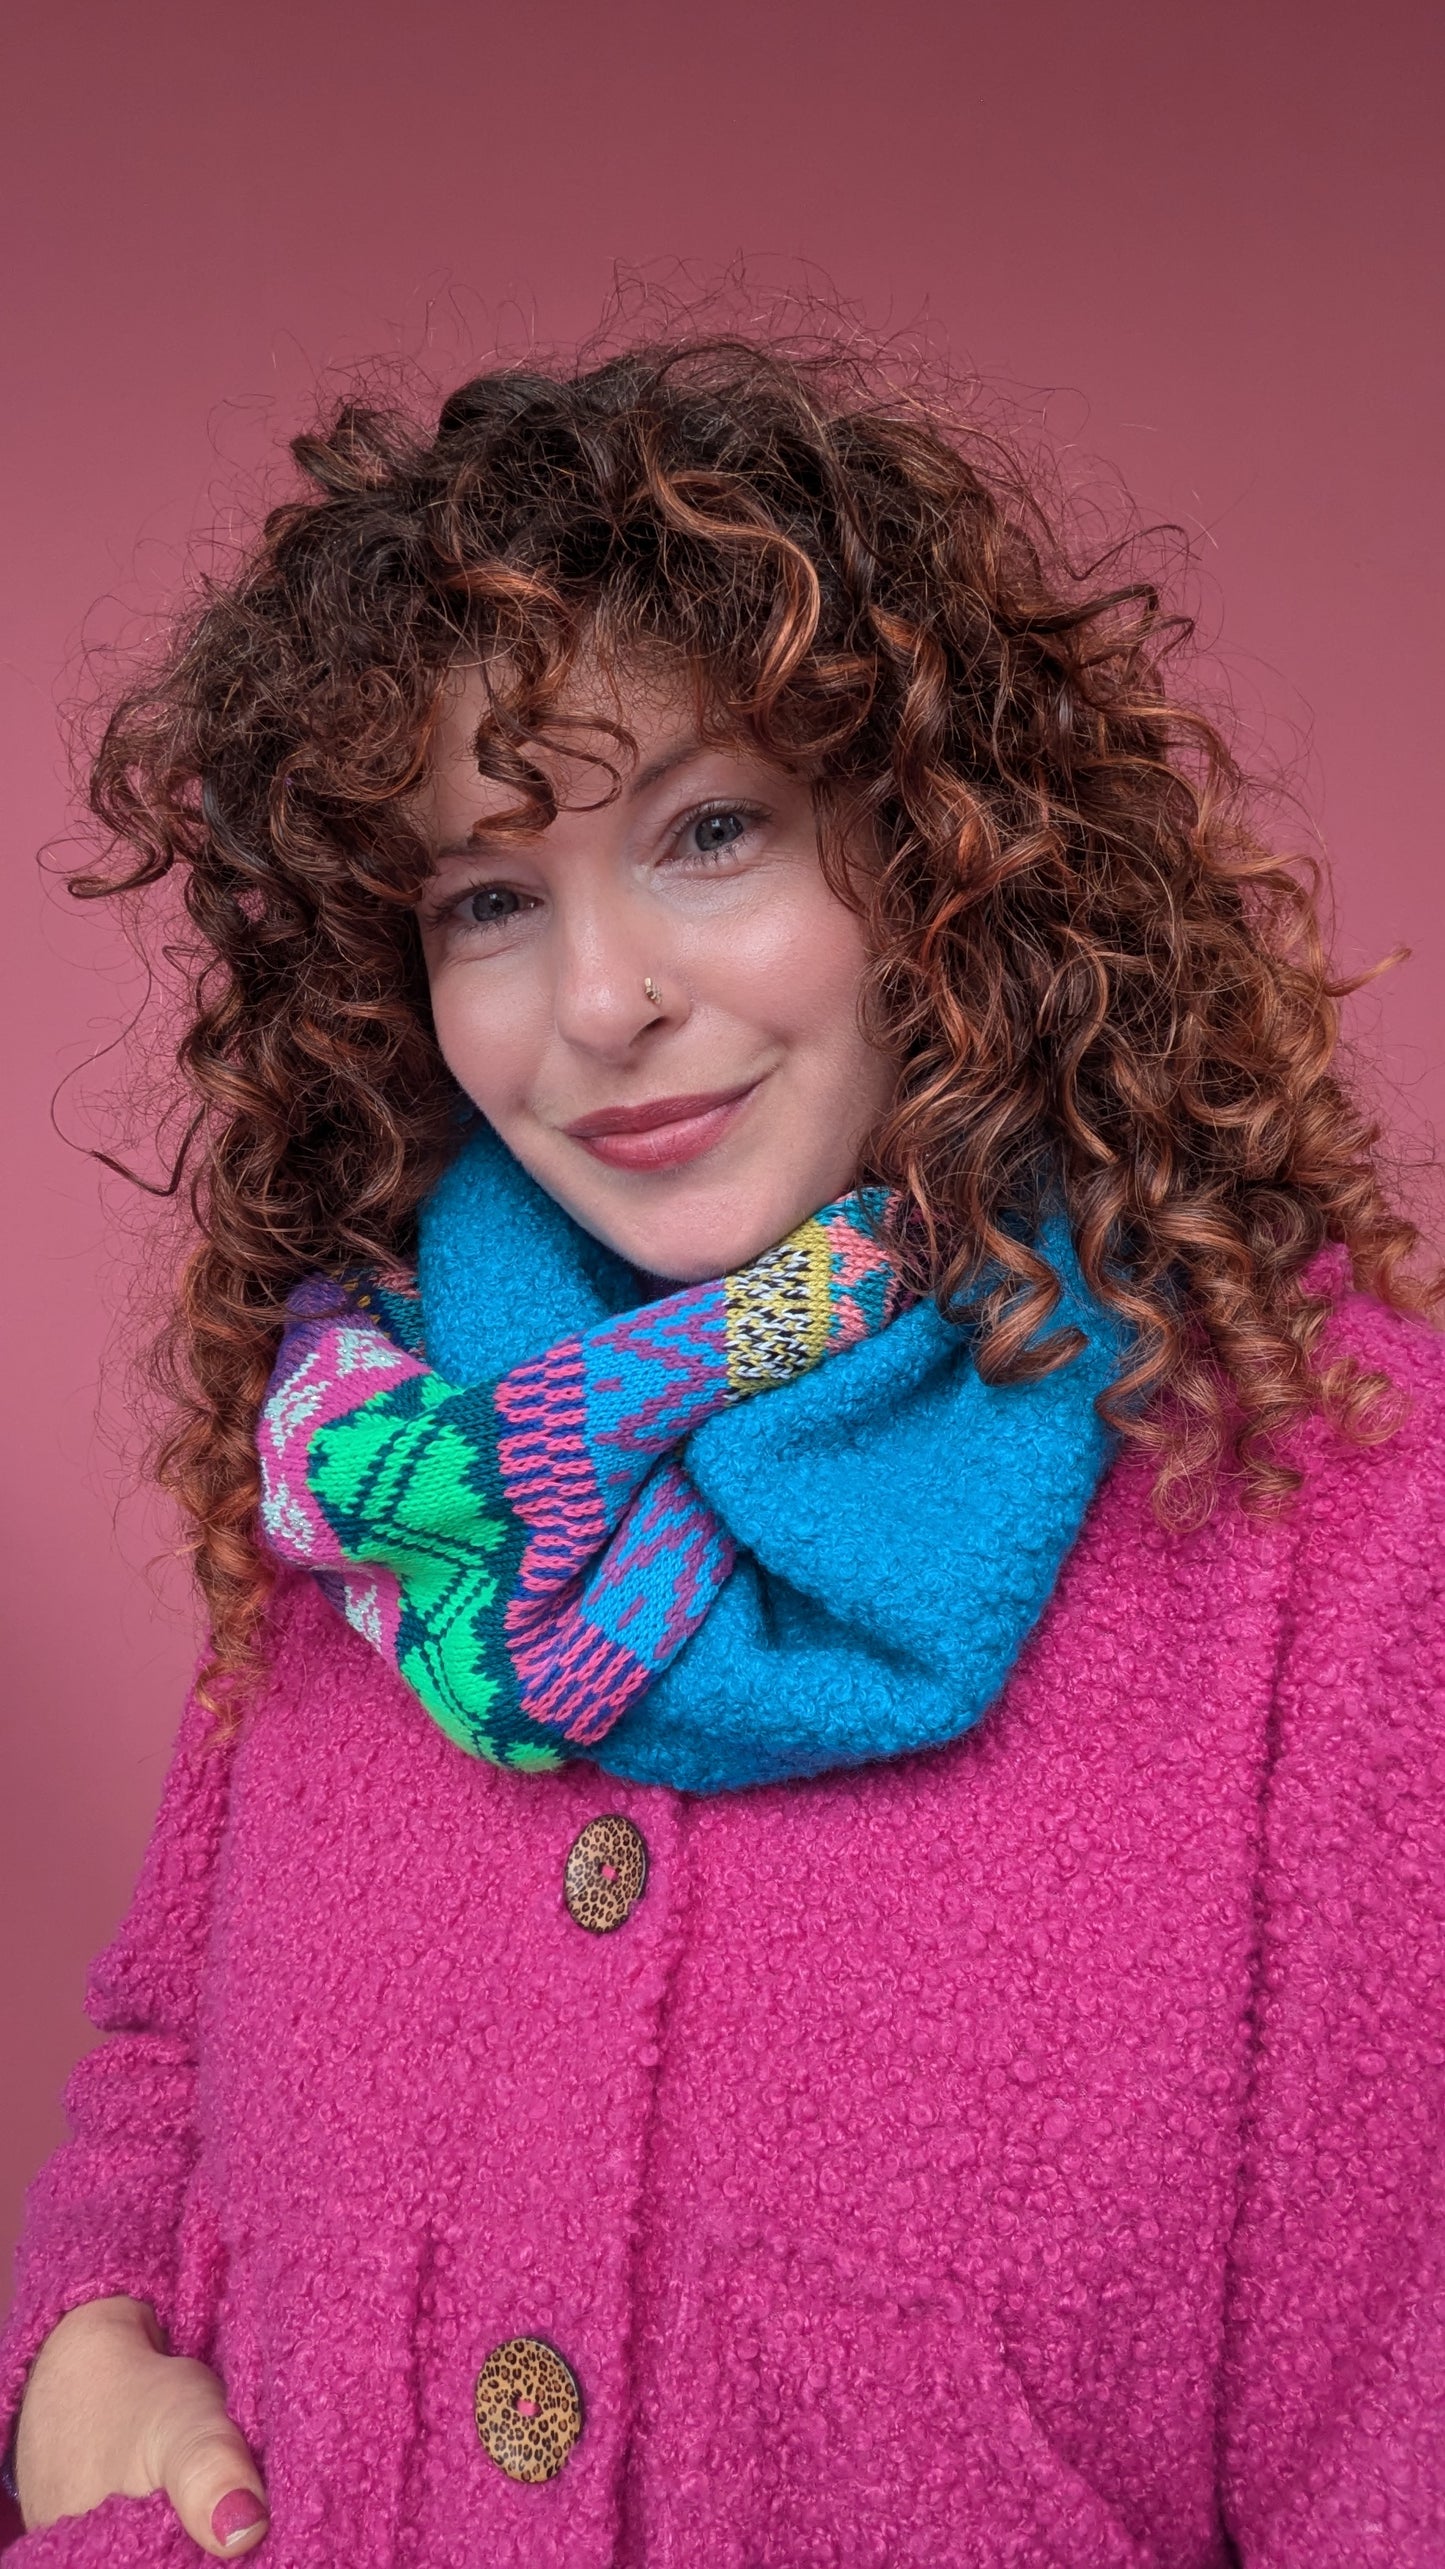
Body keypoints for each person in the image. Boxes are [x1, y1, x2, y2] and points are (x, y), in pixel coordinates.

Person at [3, 333, 1442, 2568]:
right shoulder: (378, 1462)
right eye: (490, 892)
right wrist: (79, 2338)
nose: (601, 1001)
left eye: (707, 831)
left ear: (935, 851)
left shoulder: (1324, 1524)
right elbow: (160, 2051)